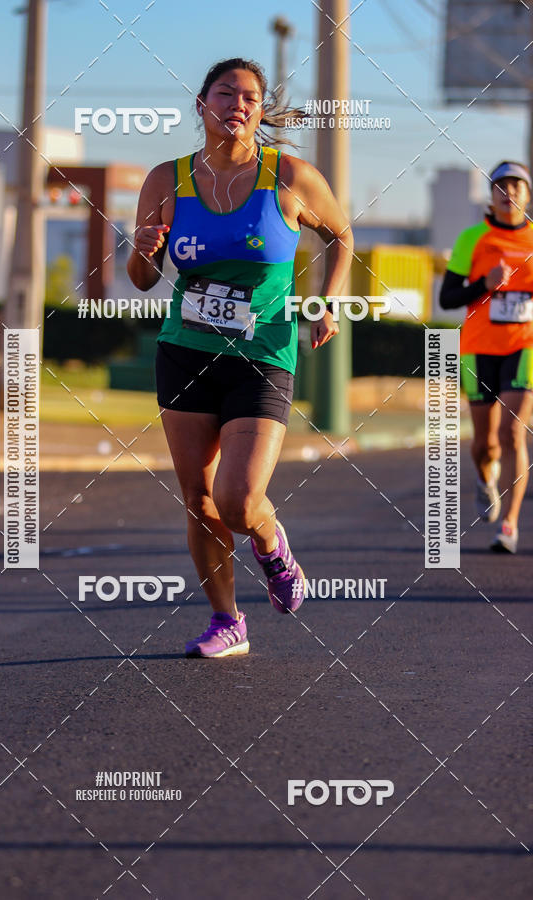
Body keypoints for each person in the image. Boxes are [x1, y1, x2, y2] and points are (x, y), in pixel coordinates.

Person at [127, 57, 353, 655]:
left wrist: (327, 302)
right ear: (202, 105)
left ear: (259, 110)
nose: (238, 104)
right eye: (225, 93)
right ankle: (228, 621)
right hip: (186, 351)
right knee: (199, 501)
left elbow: (342, 235)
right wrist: (143, 249)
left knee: (236, 500)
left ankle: (271, 541)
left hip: (263, 354)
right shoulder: (166, 179)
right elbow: (143, 278)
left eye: (250, 96)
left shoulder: (291, 177)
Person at [440, 160, 533, 553]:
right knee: (484, 443)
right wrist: (484, 284)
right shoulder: (472, 238)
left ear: (527, 195)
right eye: (501, 186)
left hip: (524, 345)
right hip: (479, 349)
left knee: (513, 432)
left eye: (517, 186)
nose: (508, 192)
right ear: (491, 196)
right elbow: (447, 298)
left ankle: (509, 525)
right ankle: (486, 476)